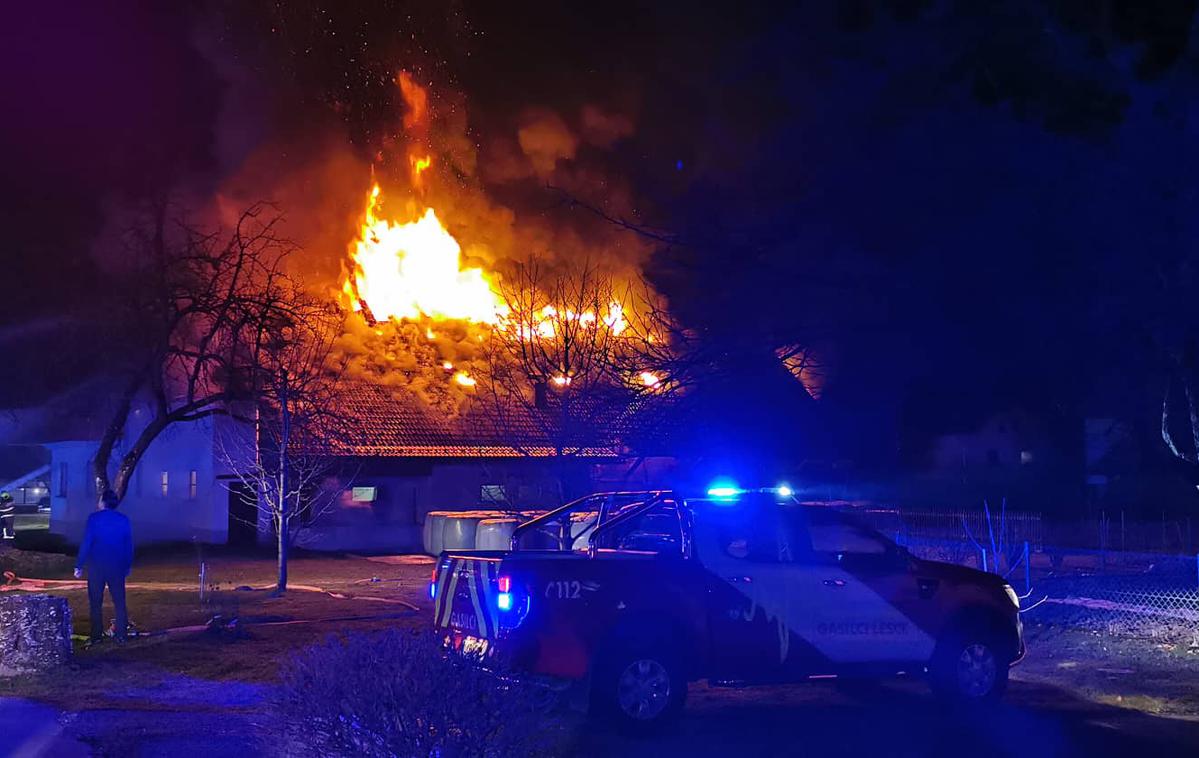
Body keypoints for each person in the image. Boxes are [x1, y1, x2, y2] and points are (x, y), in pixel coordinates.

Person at [74, 490, 133, 644]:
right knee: (119, 601)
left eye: (100, 499)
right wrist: (127, 565)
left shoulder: (94, 519)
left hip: (97, 567)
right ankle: (121, 635)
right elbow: (128, 545)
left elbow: (87, 542)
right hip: (117, 566)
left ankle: (96, 635)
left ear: (103, 502)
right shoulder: (123, 519)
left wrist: (79, 564)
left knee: (95, 602)